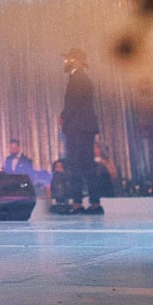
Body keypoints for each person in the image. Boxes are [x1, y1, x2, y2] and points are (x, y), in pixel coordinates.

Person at [60, 47, 104, 214]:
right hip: (82, 127)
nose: (65, 61)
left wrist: (64, 117)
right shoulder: (79, 78)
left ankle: (81, 203)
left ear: (75, 60)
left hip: (79, 128)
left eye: (69, 58)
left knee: (79, 165)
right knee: (85, 165)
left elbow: (74, 104)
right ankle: (92, 203)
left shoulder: (78, 79)